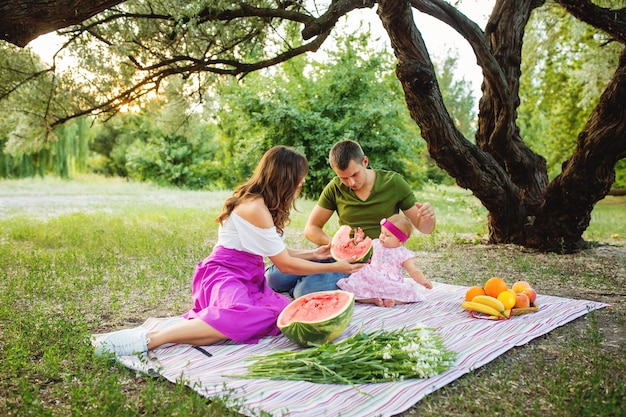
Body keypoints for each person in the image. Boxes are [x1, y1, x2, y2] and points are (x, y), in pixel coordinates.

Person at [93, 146, 364, 358]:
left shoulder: (260, 202)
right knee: (244, 315)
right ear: (285, 179)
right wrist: (335, 266)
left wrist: (314, 254)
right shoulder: (255, 207)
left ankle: (186, 329)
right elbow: (285, 265)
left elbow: (276, 251)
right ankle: (154, 338)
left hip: (246, 275)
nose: (300, 186)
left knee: (275, 315)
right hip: (223, 275)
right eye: (299, 181)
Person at [266, 139, 436, 297]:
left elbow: (425, 228)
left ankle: (312, 281)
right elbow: (311, 228)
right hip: (339, 257)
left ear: (365, 162)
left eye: (355, 175)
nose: (351, 183)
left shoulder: (394, 183)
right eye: (343, 178)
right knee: (273, 278)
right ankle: (317, 278)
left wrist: (428, 217)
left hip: (372, 264)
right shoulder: (335, 187)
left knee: (305, 289)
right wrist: (337, 245)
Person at [336, 214, 433, 308]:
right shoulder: (375, 243)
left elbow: (413, 270)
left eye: (387, 235)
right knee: (355, 284)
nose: (382, 236)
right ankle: (372, 299)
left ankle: (394, 301)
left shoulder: (403, 253)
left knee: (409, 291)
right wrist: (357, 242)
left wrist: (423, 281)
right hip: (371, 276)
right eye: (382, 232)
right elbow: (359, 250)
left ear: (400, 240)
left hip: (390, 282)